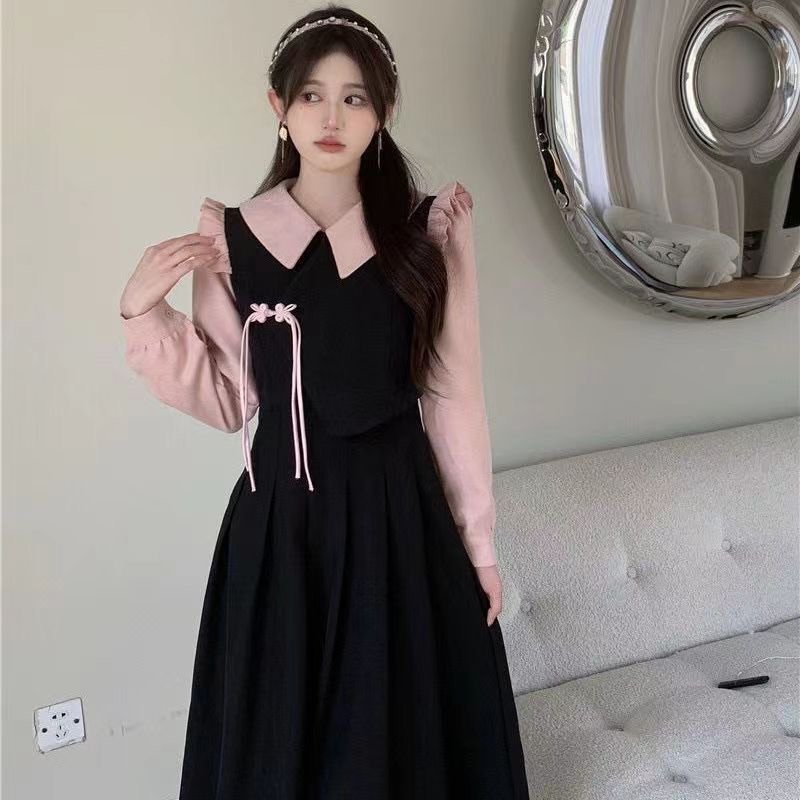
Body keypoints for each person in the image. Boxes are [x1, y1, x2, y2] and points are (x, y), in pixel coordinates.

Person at [118, 5, 529, 798]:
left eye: (354, 97)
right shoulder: (232, 241)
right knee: (283, 741)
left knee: (398, 734)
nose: (331, 118)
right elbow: (230, 398)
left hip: (398, 514)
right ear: (279, 105)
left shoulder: (426, 232)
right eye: (311, 95)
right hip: (282, 525)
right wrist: (142, 312)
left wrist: (478, 544)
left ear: (384, 111)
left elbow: (453, 393)